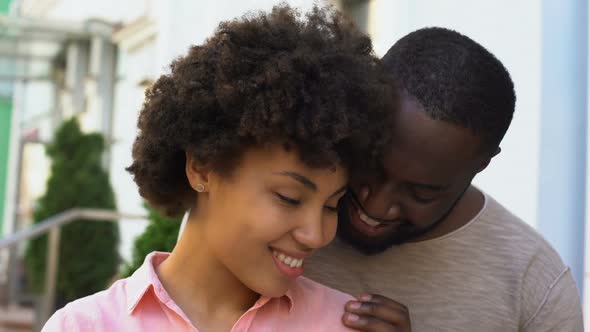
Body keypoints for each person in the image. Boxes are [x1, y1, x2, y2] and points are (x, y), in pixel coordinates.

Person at [41, 5, 396, 331]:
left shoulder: (344, 325)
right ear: (202, 168)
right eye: (289, 198)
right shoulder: (85, 326)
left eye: (332, 205)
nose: (316, 235)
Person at [305, 27, 584, 332]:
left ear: (482, 164)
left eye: (422, 193)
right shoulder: (282, 217)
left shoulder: (533, 282)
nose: (376, 207)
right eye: (371, 165)